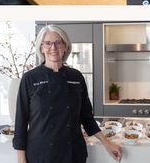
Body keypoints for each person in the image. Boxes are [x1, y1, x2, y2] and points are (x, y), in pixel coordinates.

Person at [13, 25, 123, 163]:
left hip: (73, 153)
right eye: (47, 43)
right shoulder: (30, 78)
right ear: (41, 47)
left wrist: (107, 143)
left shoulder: (76, 77)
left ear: (65, 47)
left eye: (58, 42)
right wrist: (21, 158)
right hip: (41, 154)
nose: (53, 48)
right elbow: (21, 121)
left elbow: (87, 117)